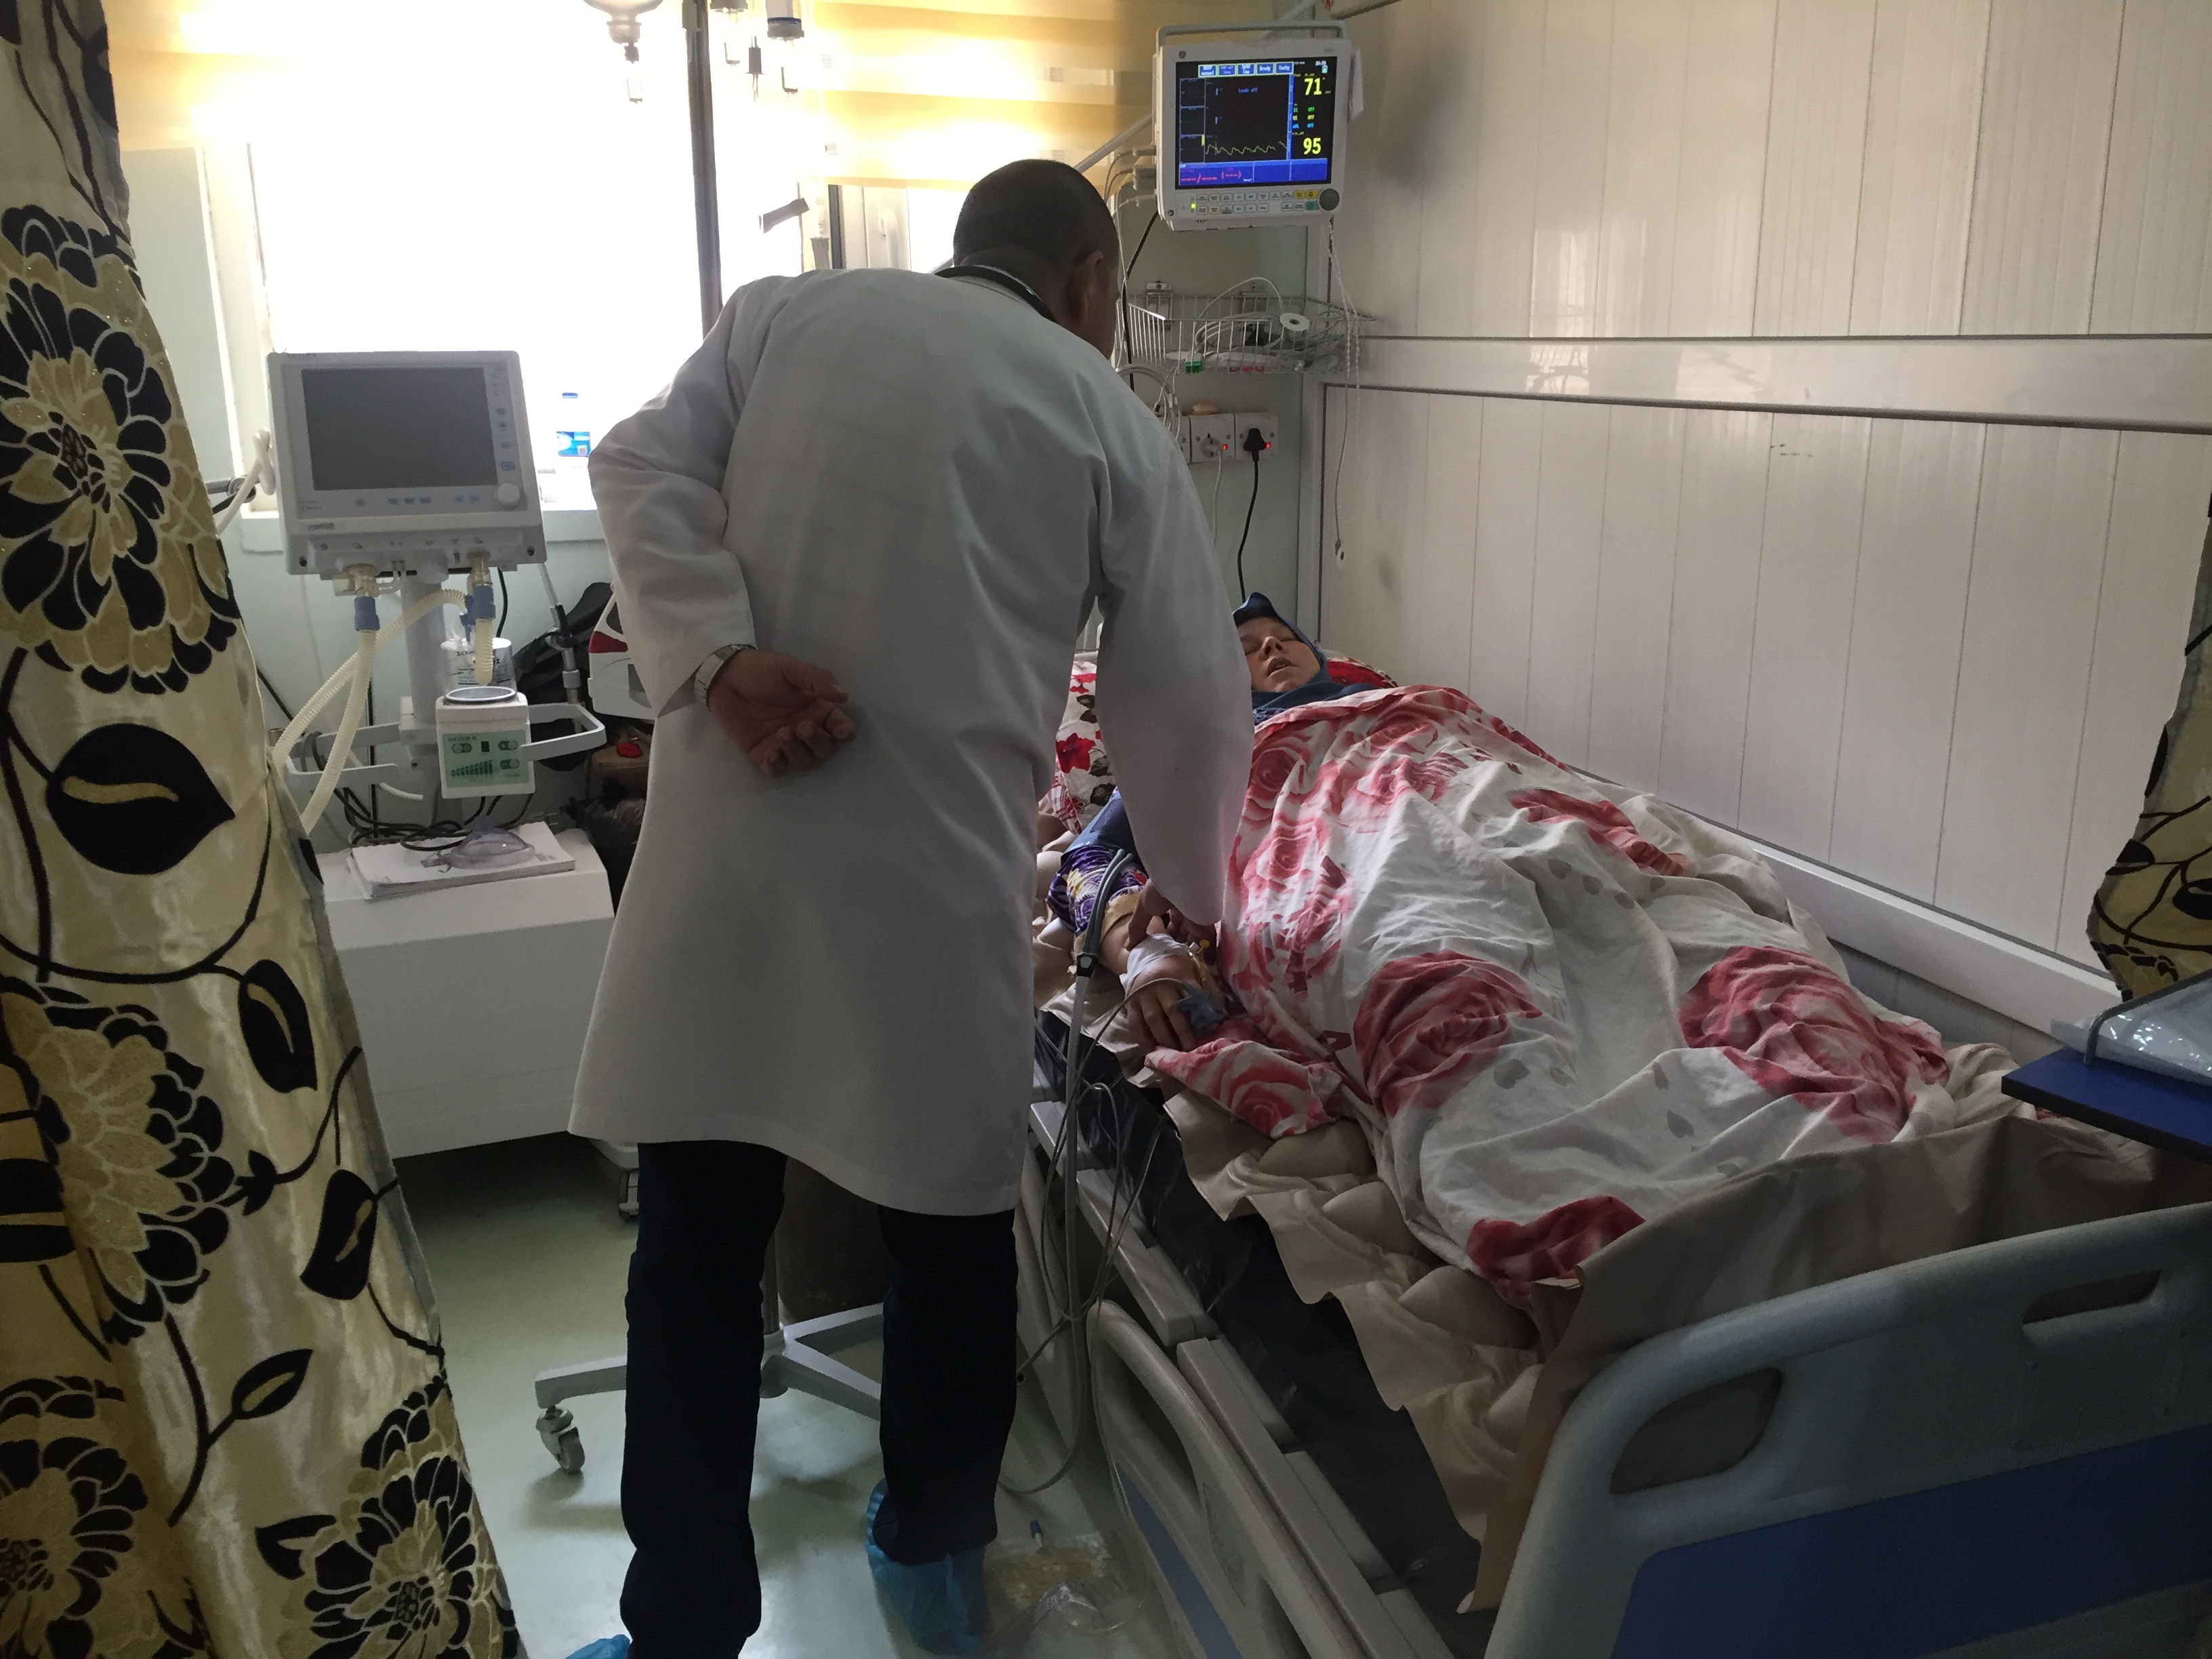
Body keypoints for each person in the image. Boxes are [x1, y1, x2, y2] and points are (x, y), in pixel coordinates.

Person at [562, 161, 1250, 1659]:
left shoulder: (785, 318)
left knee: (691, 1259)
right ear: (1086, 284)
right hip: (931, 899)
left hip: (728, 884)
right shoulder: (1103, 414)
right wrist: (1197, 896)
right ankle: (931, 1564)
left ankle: (680, 1625)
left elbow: (635, 465)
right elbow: (1190, 693)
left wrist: (722, 665)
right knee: (948, 1257)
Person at [1048, 592, 1361, 1052]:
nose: (1272, 647)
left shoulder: (1404, 707)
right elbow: (1090, 859)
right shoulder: (1201, 745)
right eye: (1248, 648)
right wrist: (1148, 954)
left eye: (1285, 638)